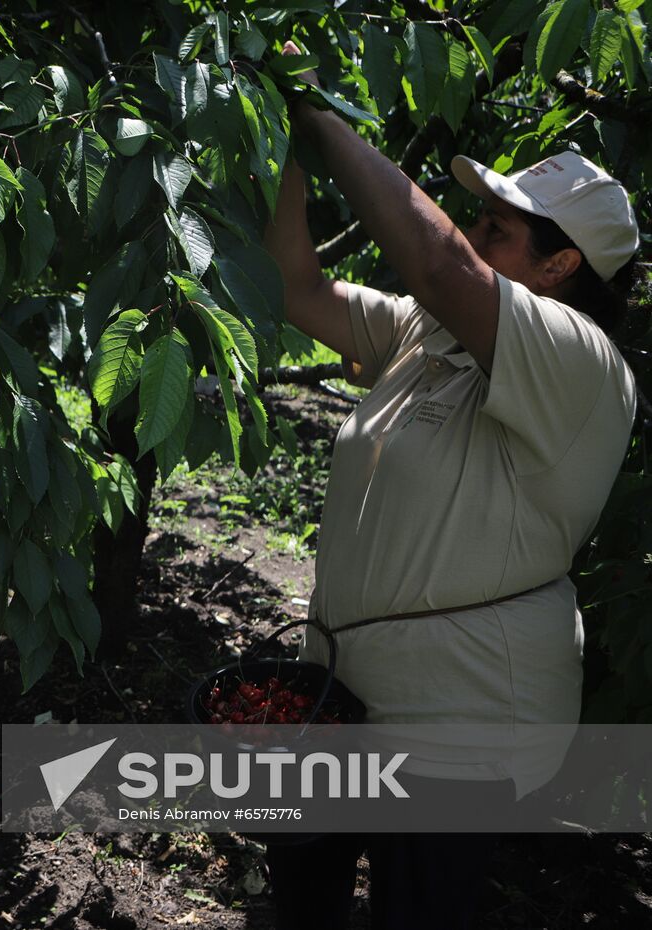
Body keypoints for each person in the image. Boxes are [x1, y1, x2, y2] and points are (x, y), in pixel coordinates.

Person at [260, 42, 640, 930]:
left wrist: (319, 110)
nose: (474, 238)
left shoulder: (583, 366)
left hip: (457, 732)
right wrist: (279, 135)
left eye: (498, 231)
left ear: (560, 268)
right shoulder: (430, 337)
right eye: (478, 222)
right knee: (302, 905)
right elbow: (297, 287)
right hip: (341, 694)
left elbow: (440, 265)